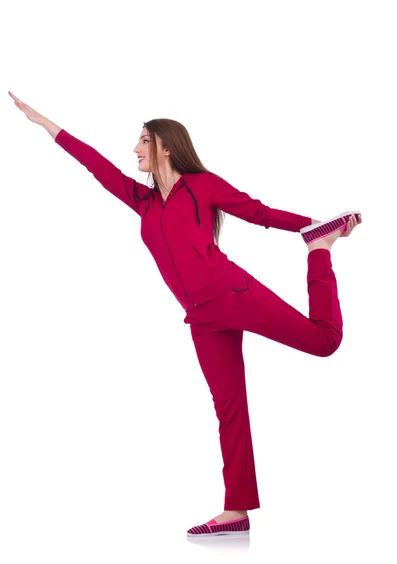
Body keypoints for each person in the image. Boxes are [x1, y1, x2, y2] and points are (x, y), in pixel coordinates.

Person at [8, 91, 362, 538]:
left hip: (233, 293)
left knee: (325, 341)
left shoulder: (203, 185)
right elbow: (95, 165)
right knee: (230, 409)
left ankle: (319, 252)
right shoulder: (143, 201)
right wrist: (45, 123)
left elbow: (259, 213)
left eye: (142, 140)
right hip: (202, 319)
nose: (134, 149)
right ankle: (236, 511)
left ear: (166, 145)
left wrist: (312, 228)